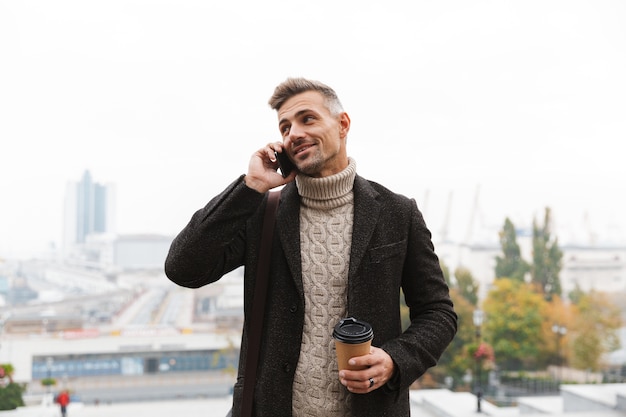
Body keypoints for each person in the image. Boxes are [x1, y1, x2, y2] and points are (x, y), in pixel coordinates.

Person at [165, 78, 457, 416]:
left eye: (307, 119)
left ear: (343, 124)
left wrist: (394, 360)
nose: (293, 134)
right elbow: (183, 268)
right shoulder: (262, 214)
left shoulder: (397, 213)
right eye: (285, 127)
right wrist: (250, 187)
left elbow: (438, 314)